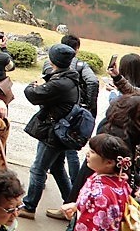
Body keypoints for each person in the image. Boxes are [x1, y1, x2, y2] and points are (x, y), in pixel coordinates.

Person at [40, 34, 98, 217]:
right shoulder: (81, 66)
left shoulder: (51, 65)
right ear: (76, 50)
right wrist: (87, 106)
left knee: (43, 161)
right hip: (73, 118)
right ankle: (74, 187)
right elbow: (93, 81)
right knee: (70, 153)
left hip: (53, 118)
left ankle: (62, 195)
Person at [19, 44, 79, 219]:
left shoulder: (60, 83)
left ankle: (29, 207)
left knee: (38, 169)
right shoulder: (69, 77)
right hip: (60, 131)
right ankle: (70, 205)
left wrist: (32, 85)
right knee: (58, 168)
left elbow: (33, 95)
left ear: (54, 60)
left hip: (53, 133)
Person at [61, 134, 131, 231]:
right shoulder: (120, 181)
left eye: (93, 152)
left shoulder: (102, 195)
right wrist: (77, 206)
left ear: (109, 163)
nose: (87, 154)